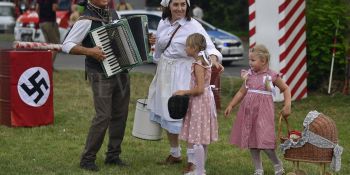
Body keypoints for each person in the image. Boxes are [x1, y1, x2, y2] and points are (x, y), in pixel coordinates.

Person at [147, 0, 223, 165]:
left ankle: (192, 159)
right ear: (168, 6)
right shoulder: (163, 23)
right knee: (167, 111)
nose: (180, 8)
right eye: (176, 4)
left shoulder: (193, 25)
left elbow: (209, 47)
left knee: (186, 116)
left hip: (183, 73)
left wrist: (213, 59)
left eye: (183, 4)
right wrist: (154, 47)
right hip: (165, 72)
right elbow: (160, 49)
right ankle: (175, 153)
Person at [62, 0, 131, 171]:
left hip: (121, 70)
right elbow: (67, 45)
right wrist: (89, 51)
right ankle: (87, 158)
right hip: (100, 73)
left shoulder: (114, 14)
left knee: (120, 114)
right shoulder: (85, 19)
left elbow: (124, 38)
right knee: (103, 116)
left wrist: (145, 40)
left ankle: (113, 156)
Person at [224, 44, 291, 175]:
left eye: (252, 60)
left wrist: (287, 105)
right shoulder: (249, 75)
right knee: (252, 141)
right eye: (249, 60)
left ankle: (277, 164)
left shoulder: (272, 76)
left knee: (265, 141)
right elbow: (241, 92)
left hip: (263, 113)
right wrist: (231, 105)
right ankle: (258, 168)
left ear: (263, 61)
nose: (250, 63)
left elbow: (285, 89)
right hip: (249, 112)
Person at [174, 33, 218, 175]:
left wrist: (183, 92)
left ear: (194, 48)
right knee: (201, 136)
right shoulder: (205, 61)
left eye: (187, 46)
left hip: (199, 102)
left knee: (197, 137)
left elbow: (199, 89)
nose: (185, 48)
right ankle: (199, 168)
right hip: (205, 101)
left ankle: (199, 171)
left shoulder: (198, 64)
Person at [36, 0, 60, 69]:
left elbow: (37, 8)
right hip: (50, 22)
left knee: (49, 45)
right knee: (55, 45)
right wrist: (58, 6)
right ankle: (49, 66)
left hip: (42, 23)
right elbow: (54, 8)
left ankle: (47, 65)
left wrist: (41, 17)